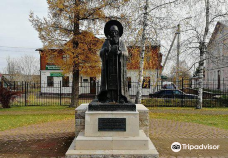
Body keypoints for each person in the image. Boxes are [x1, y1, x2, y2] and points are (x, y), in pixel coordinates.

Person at [97, 20, 130, 103]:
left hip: (118, 67)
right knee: (109, 83)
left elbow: (126, 54)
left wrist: (120, 53)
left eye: (115, 32)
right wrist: (105, 50)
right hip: (109, 67)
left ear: (118, 33)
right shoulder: (106, 42)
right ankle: (108, 97)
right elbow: (100, 53)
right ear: (109, 33)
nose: (113, 34)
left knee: (118, 83)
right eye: (112, 32)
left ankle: (121, 97)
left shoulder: (121, 42)